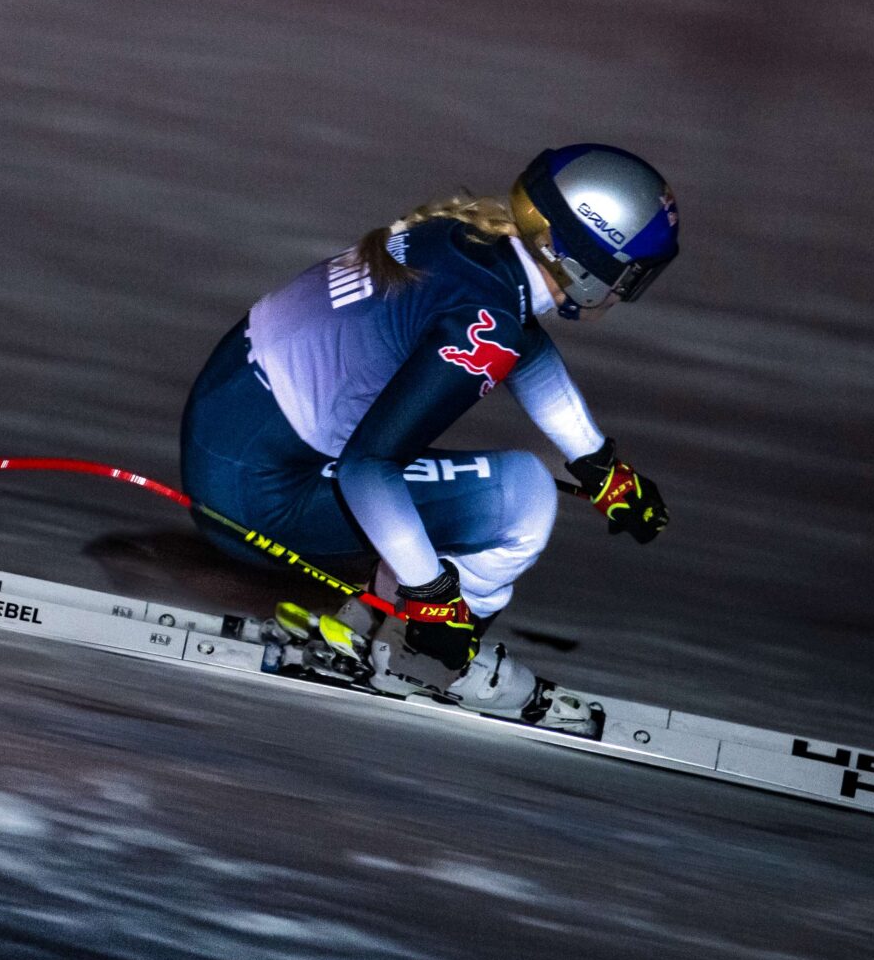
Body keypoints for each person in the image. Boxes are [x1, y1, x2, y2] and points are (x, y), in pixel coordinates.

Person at [179, 144, 678, 724]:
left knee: (452, 479)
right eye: (630, 277)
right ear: (589, 265)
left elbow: (524, 346)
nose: (625, 293)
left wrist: (597, 464)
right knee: (524, 495)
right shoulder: (482, 319)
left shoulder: (461, 240)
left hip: (232, 434)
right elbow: (369, 468)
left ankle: (369, 623)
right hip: (259, 493)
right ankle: (421, 660)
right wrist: (434, 598)